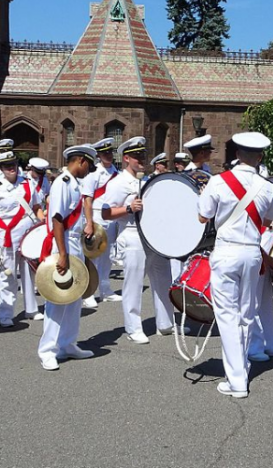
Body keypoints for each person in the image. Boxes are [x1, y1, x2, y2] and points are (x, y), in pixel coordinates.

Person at [197, 131, 273, 398]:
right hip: (252, 253)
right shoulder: (267, 186)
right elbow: (270, 218)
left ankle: (236, 381)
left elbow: (202, 217)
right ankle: (241, 367)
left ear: (236, 154)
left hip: (226, 251)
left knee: (227, 316)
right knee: (246, 315)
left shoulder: (218, 182)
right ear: (260, 156)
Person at [101, 136, 178, 343]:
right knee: (133, 284)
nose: (141, 159)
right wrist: (128, 208)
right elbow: (106, 213)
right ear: (126, 158)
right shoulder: (118, 183)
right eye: (136, 156)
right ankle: (133, 327)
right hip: (133, 234)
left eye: (143, 155)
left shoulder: (146, 180)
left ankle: (165, 322)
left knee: (163, 280)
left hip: (153, 237)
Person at [37, 144, 98, 370]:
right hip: (63, 244)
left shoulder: (74, 183)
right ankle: (47, 350)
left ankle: (67, 344)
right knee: (58, 298)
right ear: (81, 160)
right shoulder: (62, 183)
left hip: (74, 242)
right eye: (89, 165)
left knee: (75, 297)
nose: (89, 170)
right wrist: (62, 254)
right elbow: (57, 220)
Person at [0, 150, 45, 327]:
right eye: (7, 166)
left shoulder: (27, 184)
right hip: (6, 237)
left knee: (29, 273)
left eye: (13, 165)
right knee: (7, 276)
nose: (11, 168)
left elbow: (36, 207)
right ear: (1, 169)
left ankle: (31, 309)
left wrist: (41, 223)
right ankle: (5, 314)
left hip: (27, 235)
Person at [81, 137, 120, 307]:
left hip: (112, 217)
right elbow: (87, 200)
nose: (109, 156)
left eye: (110, 152)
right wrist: (89, 222)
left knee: (108, 256)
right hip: (96, 216)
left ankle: (105, 289)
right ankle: (88, 292)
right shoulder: (93, 173)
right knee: (93, 257)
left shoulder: (116, 173)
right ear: (98, 155)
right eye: (105, 153)